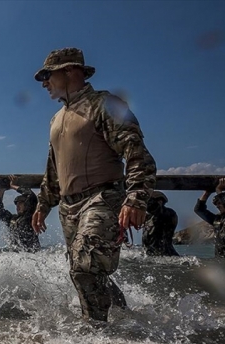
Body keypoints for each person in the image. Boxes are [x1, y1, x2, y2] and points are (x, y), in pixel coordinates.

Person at [31, 47, 157, 322]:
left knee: (84, 268)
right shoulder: (56, 119)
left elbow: (136, 153)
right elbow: (54, 169)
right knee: (86, 269)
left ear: (69, 71)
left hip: (103, 197)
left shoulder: (103, 104)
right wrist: (43, 204)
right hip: (68, 207)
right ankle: (128, 321)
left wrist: (135, 197)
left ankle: (96, 337)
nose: (44, 83)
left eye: (47, 75)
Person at [0, 175, 40, 252]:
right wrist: (1, 191)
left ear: (27, 204)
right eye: (17, 204)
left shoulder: (30, 217)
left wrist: (12, 186)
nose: (18, 206)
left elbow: (31, 196)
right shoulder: (12, 219)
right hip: (17, 258)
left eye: (21, 203)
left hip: (32, 256)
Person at [194, 177, 225, 258]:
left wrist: (219, 190)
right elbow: (199, 210)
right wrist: (207, 193)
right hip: (220, 260)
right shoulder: (217, 220)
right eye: (216, 203)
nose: (217, 205)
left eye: (219, 202)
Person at [142, 191, 179, 256]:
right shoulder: (148, 216)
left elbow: (161, 216)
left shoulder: (167, 213)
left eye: (149, 201)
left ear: (160, 202)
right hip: (150, 254)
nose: (146, 204)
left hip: (164, 254)